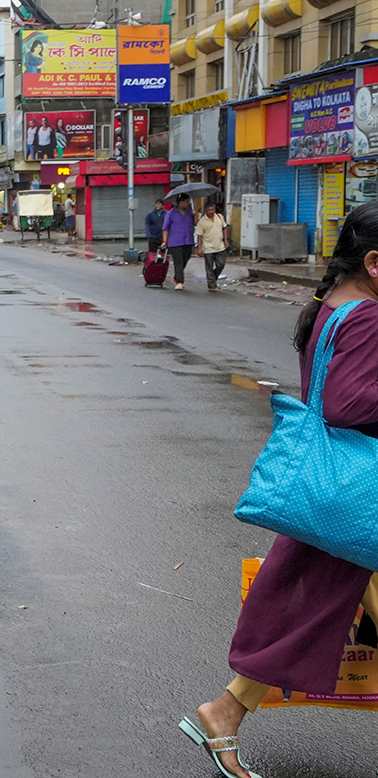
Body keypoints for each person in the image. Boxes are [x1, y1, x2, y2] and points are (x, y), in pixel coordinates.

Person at [180, 201, 378, 778]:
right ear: (374, 261)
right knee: (311, 601)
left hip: (336, 493)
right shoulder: (365, 316)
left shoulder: (332, 305)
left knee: (310, 602)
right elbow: (346, 404)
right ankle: (223, 711)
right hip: (353, 491)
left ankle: (225, 712)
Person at [161, 193, 197, 290]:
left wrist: (195, 215)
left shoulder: (190, 212)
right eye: (185, 202)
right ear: (179, 202)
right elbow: (165, 228)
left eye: (188, 202)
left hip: (188, 240)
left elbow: (196, 223)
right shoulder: (171, 213)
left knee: (186, 258)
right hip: (175, 241)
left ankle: (177, 277)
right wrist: (164, 241)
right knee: (178, 261)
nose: (187, 203)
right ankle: (180, 282)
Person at [195, 200, 230, 292]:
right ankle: (211, 285)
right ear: (206, 210)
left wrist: (225, 240)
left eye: (213, 209)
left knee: (221, 264)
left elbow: (224, 228)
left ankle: (213, 278)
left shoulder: (219, 217)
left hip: (220, 246)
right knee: (209, 267)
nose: (211, 211)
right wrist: (199, 248)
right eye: (209, 210)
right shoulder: (202, 221)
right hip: (208, 247)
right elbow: (199, 235)